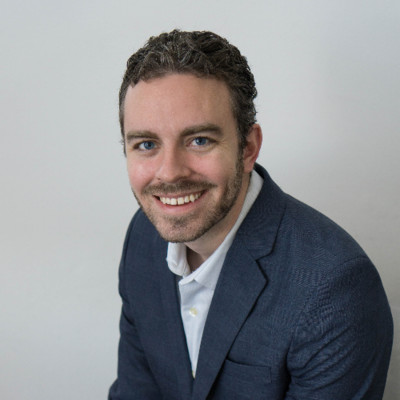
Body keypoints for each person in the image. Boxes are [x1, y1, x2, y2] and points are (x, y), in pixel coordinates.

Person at [108, 30, 393, 400]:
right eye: (146, 144)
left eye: (199, 140)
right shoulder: (143, 236)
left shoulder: (334, 289)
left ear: (248, 148)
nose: (170, 173)